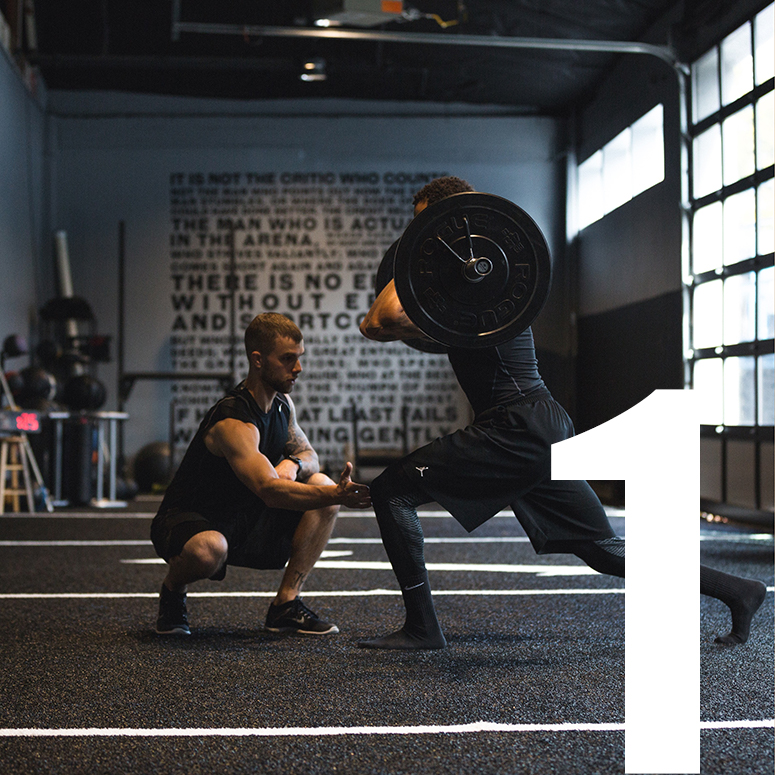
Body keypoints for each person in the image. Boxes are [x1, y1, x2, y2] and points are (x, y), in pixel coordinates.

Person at [357, 175, 767, 650]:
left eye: (427, 225)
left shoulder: (486, 285)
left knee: (391, 491)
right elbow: (379, 327)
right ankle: (739, 590)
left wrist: (419, 242)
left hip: (516, 427)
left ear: (449, 224)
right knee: (602, 550)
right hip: (540, 423)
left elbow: (385, 316)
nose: (421, 237)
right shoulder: (465, 300)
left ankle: (422, 628)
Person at [151, 313, 371, 636]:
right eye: (287, 359)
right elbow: (268, 489)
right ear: (257, 360)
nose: (298, 368)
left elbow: (309, 455)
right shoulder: (234, 421)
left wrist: (292, 465)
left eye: (299, 358)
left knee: (320, 481)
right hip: (191, 520)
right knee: (209, 550)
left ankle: (285, 605)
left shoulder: (283, 406)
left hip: (245, 519)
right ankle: (172, 591)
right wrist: (338, 495)